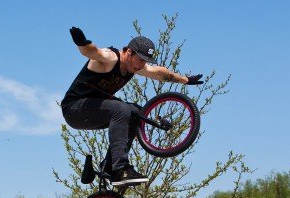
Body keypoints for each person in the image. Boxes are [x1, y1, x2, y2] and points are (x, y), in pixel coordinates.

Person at [61, 27, 203, 186]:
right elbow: (93, 52)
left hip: (95, 110)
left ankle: (110, 167)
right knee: (120, 109)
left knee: (136, 112)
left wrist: (185, 80)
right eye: (140, 60)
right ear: (129, 52)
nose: (142, 66)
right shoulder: (110, 58)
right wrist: (82, 43)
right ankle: (121, 168)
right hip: (74, 108)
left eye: (145, 62)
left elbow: (160, 73)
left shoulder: (134, 66)